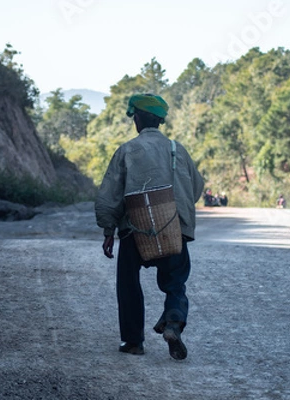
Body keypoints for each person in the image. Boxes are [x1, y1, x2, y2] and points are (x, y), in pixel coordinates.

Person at [95, 94, 204, 360]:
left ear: (139, 118)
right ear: (160, 120)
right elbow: (197, 187)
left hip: (136, 230)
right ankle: (173, 322)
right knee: (175, 281)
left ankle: (133, 342)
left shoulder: (127, 150)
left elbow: (110, 194)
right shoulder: (178, 149)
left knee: (129, 283)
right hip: (172, 228)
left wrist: (108, 229)